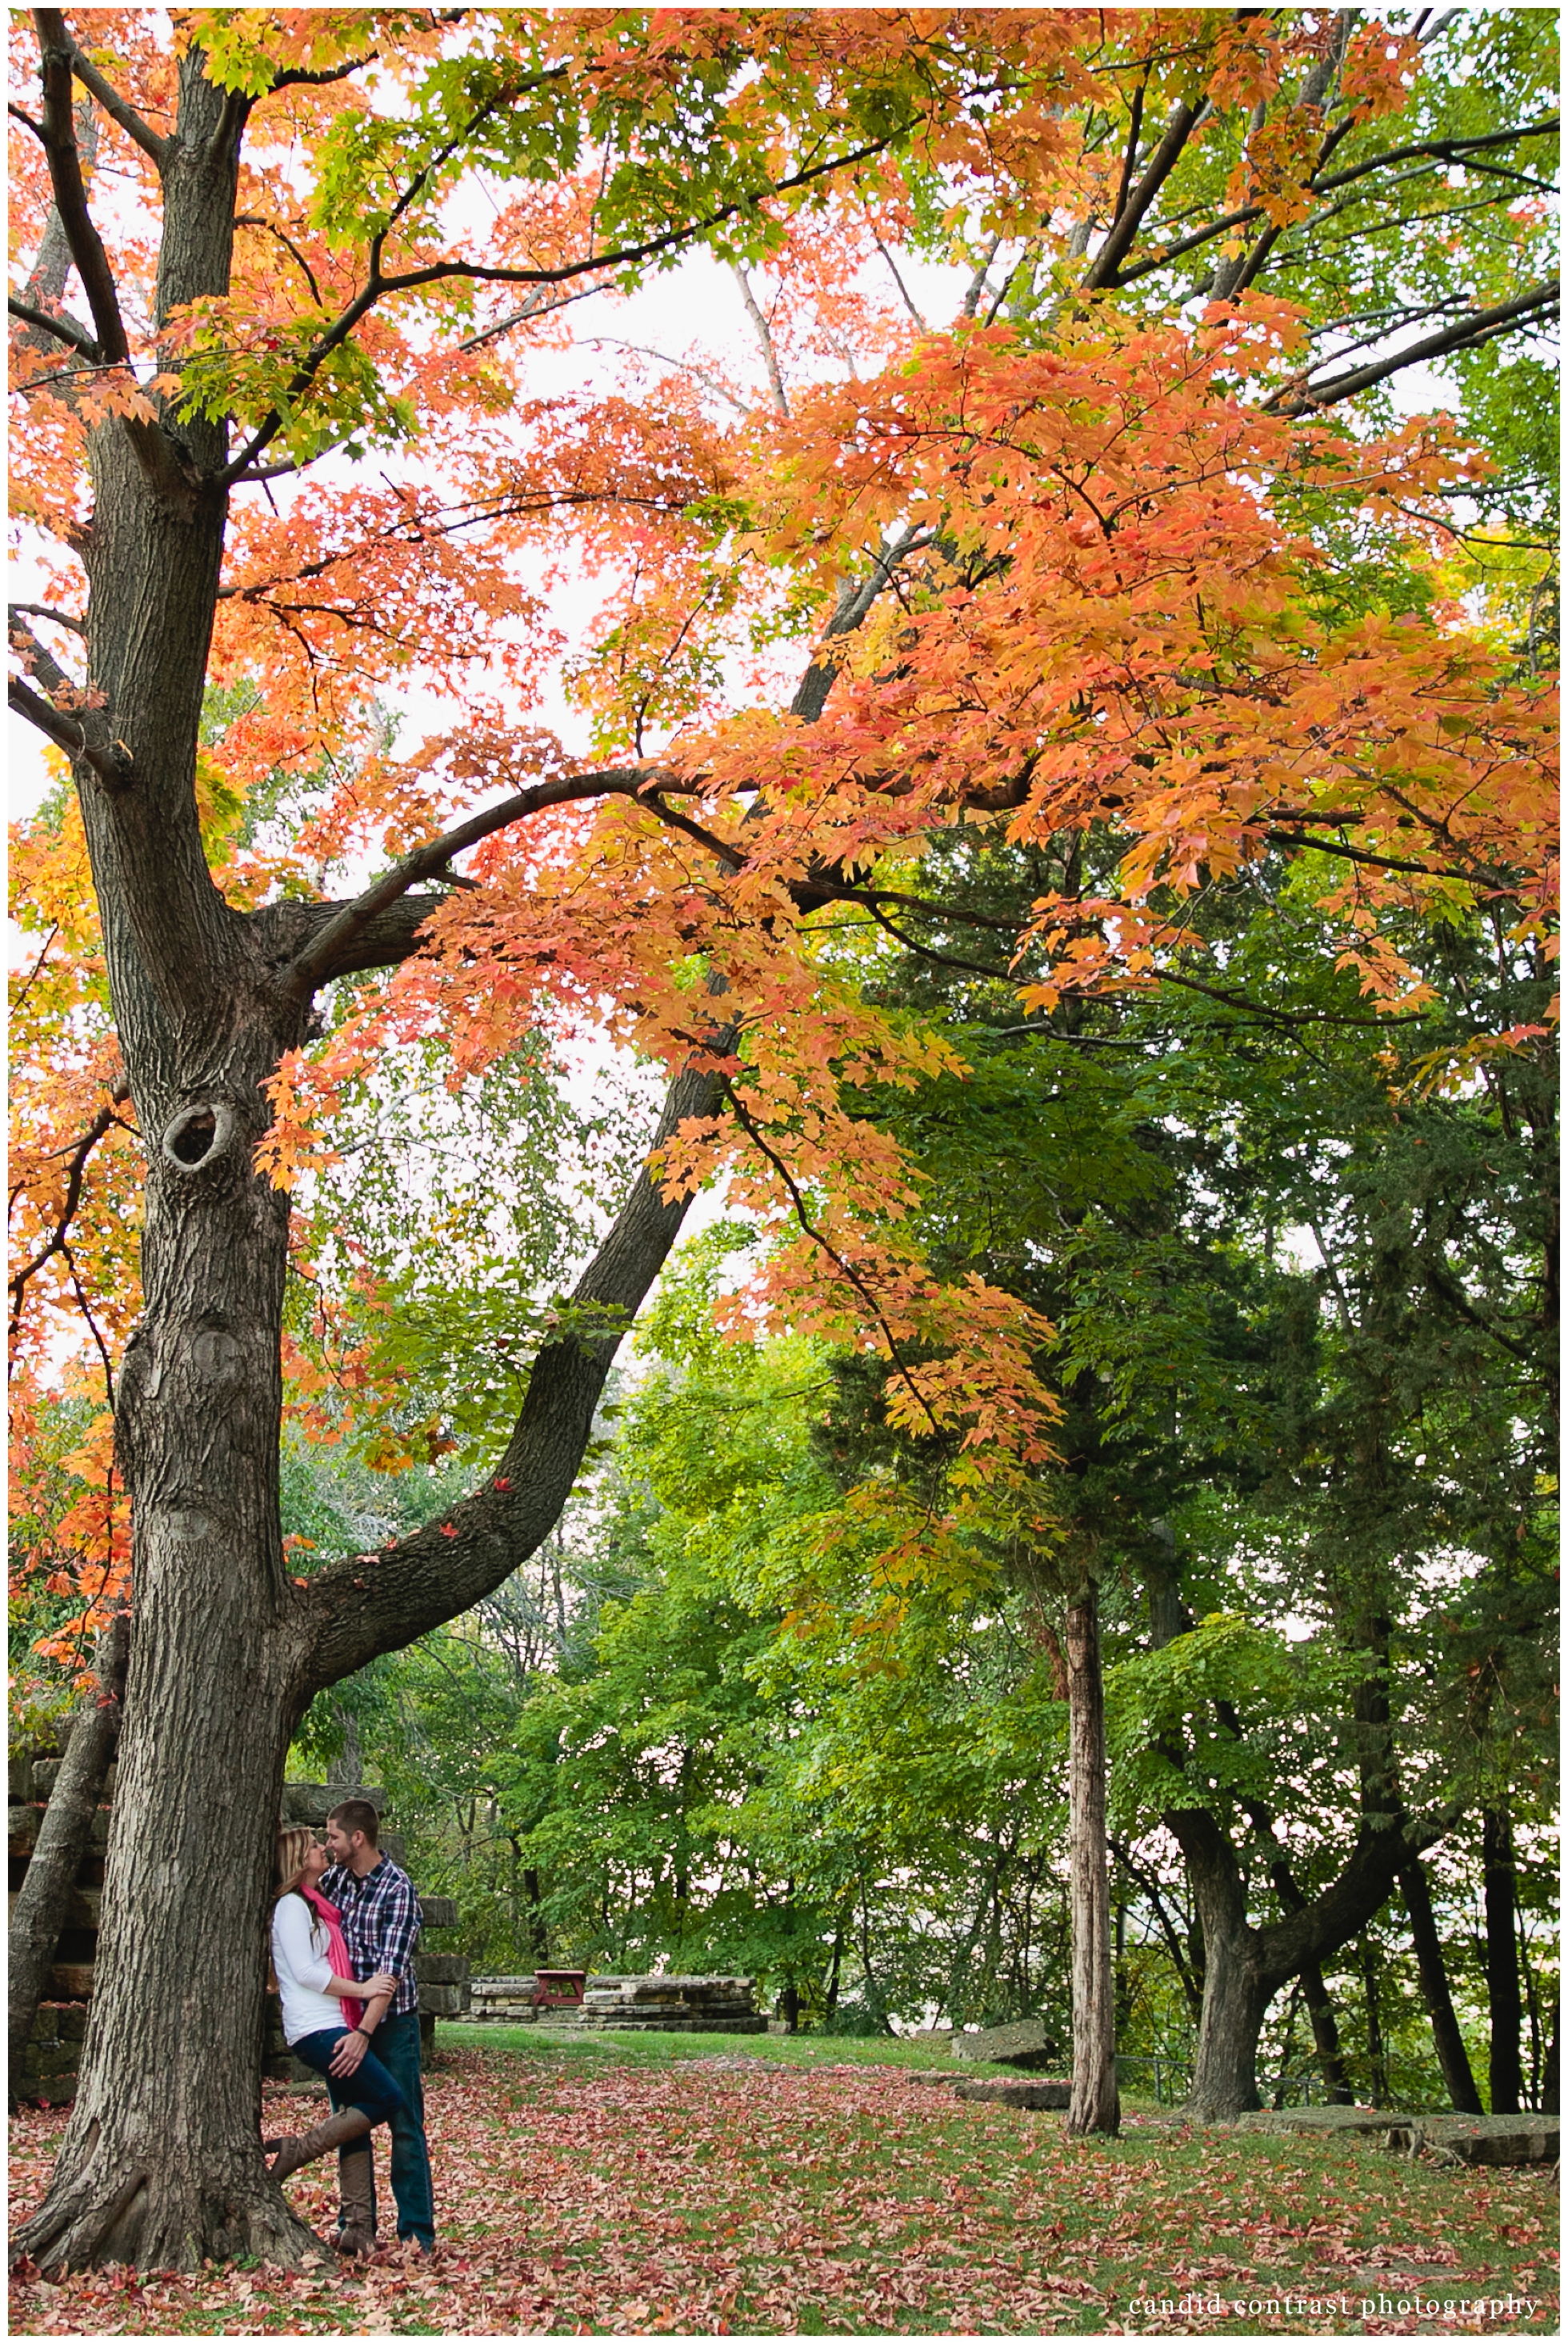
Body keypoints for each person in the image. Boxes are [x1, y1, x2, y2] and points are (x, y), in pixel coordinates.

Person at [266, 1826, 402, 2254]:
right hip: (314, 2029)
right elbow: (306, 1973)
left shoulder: (317, 1906)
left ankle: (358, 2229)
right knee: (387, 2098)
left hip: (332, 2023)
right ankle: (297, 2150)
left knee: (354, 2124)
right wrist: (364, 1990)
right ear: (297, 1861)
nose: (322, 1849)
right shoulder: (291, 1906)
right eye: (312, 1846)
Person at [319, 1798, 435, 2253]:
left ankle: (416, 2235)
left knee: (405, 2126)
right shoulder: (336, 1882)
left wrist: (362, 2036)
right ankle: (357, 2228)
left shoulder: (397, 1890)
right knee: (350, 2124)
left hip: (390, 2027)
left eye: (332, 1837)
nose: (327, 1845)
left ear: (357, 1838)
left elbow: (388, 1976)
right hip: (344, 2023)